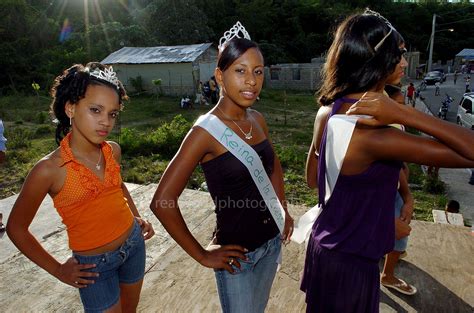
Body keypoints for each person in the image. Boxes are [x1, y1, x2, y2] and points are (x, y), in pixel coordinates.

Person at [302, 10, 474, 313]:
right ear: (376, 62)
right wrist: (404, 113)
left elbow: (313, 179)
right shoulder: (374, 134)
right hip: (351, 263)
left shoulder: (328, 111)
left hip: (326, 248)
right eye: (399, 54)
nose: (404, 62)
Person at [150, 22, 293, 313]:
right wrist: (202, 254)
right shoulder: (205, 132)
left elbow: (273, 166)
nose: (251, 81)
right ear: (219, 76)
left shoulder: (257, 120)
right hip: (237, 258)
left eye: (257, 71)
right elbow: (162, 202)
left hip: (270, 245)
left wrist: (283, 210)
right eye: (240, 71)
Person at [6, 62, 155, 312]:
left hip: (133, 246)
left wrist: (136, 216)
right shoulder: (50, 169)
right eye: (95, 110)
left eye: (112, 113)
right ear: (71, 108)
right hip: (93, 268)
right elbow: (16, 228)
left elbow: (117, 187)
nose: (105, 122)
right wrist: (57, 269)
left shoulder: (112, 151)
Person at [381, 75, 416, 296]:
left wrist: (407, 195)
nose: (404, 109)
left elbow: (397, 165)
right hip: (383, 193)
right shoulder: (382, 129)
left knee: (400, 228)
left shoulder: (396, 125)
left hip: (394, 187)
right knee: (399, 233)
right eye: (399, 105)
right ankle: (388, 275)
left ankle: (388, 264)